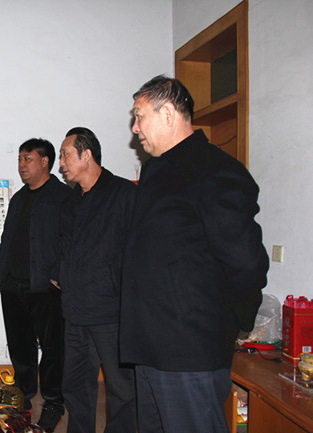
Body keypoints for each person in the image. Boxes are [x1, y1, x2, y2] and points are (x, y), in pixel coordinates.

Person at [120, 75, 269, 433]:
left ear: (168, 114)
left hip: (189, 349)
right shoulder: (155, 171)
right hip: (149, 344)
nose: (135, 128)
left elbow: (246, 262)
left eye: (139, 116)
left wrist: (237, 321)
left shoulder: (215, 170)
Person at [56, 127, 137, 433]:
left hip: (112, 312)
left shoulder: (124, 194)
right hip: (75, 311)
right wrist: (60, 274)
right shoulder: (70, 202)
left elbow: (140, 250)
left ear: (86, 155)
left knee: (122, 388)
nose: (61, 163)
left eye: (66, 155)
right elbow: (64, 247)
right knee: (75, 385)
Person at [0, 138, 70, 431]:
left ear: (45, 161)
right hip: (13, 285)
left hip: (45, 288)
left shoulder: (63, 197)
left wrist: (57, 276)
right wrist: (3, 275)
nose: (22, 165)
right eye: (20, 159)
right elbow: (8, 237)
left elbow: (71, 241)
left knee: (53, 349)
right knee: (20, 347)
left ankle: (53, 403)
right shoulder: (19, 198)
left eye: (28, 159)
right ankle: (22, 398)